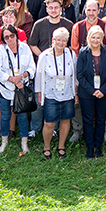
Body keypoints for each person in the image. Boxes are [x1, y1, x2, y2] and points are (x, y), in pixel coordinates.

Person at [0, 23, 35, 155]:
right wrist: (12, 79)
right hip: (6, 88)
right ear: (3, 39)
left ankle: (24, 142)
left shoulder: (25, 48)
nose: (10, 39)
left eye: (12, 36)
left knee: (22, 116)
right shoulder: (0, 50)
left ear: (16, 36)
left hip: (21, 87)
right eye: (6, 37)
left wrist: (21, 77)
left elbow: (32, 67)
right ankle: (4, 141)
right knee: (5, 116)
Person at [36, 27, 78, 158]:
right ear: (53, 40)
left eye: (64, 40)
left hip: (67, 93)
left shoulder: (71, 55)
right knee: (49, 122)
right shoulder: (44, 56)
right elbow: (38, 75)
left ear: (67, 42)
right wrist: (39, 93)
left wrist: (75, 92)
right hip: (50, 93)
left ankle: (61, 146)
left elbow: (75, 75)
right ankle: (46, 147)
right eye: (58, 40)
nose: (61, 43)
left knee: (65, 120)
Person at [77, 26, 106, 159]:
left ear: (102, 38)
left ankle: (98, 146)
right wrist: (92, 91)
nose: (96, 40)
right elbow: (79, 75)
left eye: (98, 37)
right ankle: (89, 146)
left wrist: (102, 90)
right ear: (89, 38)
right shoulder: (83, 52)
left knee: (100, 120)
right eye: (93, 37)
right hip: (87, 93)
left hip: (103, 92)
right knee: (87, 120)